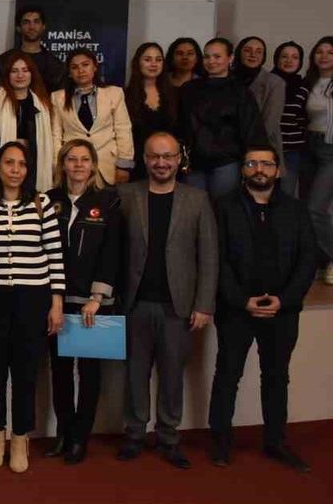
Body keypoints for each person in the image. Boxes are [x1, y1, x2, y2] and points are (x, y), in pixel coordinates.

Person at [208, 144, 319, 473]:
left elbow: (308, 259)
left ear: (278, 170)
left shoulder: (296, 210)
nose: (259, 169)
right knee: (227, 375)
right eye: (252, 163)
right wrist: (241, 300)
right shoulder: (223, 207)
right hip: (236, 309)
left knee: (276, 377)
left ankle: (275, 442)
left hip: (282, 310)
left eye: (266, 164)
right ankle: (221, 442)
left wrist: (285, 300)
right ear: (242, 170)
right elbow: (216, 260)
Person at [116, 132, 217, 469]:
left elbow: (209, 256)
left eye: (168, 156)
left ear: (179, 159)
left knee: (172, 376)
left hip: (180, 306)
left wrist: (204, 304)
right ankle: (134, 434)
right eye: (154, 156)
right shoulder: (126, 195)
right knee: (135, 375)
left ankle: (168, 438)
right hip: (135, 304)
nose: (161, 163)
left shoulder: (197, 199)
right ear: (145, 159)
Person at [0, 141, 64, 474]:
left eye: (22, 164)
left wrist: (56, 303)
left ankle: (21, 435)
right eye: (9, 163)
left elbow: (55, 255)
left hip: (33, 298)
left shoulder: (42, 204)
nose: (15, 170)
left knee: (26, 371)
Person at [44, 140, 121, 465]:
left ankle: (80, 437)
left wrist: (97, 297)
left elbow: (113, 252)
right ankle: (63, 431)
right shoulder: (48, 200)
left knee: (89, 373)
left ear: (93, 165)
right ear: (63, 164)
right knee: (60, 371)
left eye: (84, 159)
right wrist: (51, 297)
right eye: (72, 159)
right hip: (55, 301)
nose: (78, 165)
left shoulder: (108, 201)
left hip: (92, 303)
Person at [178, 38, 267, 197]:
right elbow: (180, 124)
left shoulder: (241, 91)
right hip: (194, 162)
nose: (211, 61)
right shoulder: (189, 89)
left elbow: (251, 130)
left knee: (223, 207)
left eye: (217, 56)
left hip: (227, 163)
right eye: (207, 56)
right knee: (193, 206)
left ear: (230, 58)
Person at [0, 52, 55, 194]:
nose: (20, 75)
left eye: (25, 70)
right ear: (7, 75)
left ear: (32, 74)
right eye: (14, 71)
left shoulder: (42, 104)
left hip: (34, 172)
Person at [51, 48, 134, 185]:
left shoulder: (114, 93)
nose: (81, 70)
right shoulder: (58, 98)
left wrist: (124, 165)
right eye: (74, 67)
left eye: (85, 65)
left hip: (108, 167)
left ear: (95, 67)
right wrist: (57, 166)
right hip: (73, 168)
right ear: (69, 73)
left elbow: (123, 129)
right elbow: (56, 135)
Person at [233, 36, 288, 176]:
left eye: (259, 51)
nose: (253, 55)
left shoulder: (274, 82)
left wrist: (248, 148)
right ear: (239, 53)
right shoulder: (229, 79)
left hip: (262, 149)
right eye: (248, 50)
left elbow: (270, 123)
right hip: (228, 150)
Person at [124, 42, 177, 179]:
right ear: (138, 63)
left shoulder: (174, 94)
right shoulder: (124, 95)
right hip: (137, 162)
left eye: (158, 60)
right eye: (147, 59)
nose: (154, 64)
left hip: (167, 162)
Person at [305, 36, 333, 284]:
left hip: (330, 148)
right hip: (307, 146)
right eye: (320, 52)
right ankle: (315, 261)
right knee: (303, 208)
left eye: (330, 52)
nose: (324, 56)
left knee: (316, 209)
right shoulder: (309, 82)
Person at [0, 6, 66, 91]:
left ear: (43, 26)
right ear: (18, 28)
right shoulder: (4, 61)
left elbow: (60, 95)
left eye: (36, 22)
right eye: (26, 22)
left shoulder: (55, 65)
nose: (32, 27)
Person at [272, 41, 308, 196]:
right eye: (284, 56)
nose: (289, 60)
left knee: (286, 195)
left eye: (295, 57)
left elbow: (303, 118)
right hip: (268, 148)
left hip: (292, 151)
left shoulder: (303, 87)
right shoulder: (267, 82)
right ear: (277, 59)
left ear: (300, 62)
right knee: (263, 194)